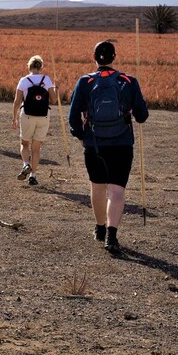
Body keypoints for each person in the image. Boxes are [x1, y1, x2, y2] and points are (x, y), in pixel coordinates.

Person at [68, 40, 148, 254]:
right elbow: (142, 116)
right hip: (122, 144)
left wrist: (80, 136)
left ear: (94, 58)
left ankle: (100, 228)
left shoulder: (85, 82)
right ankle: (112, 236)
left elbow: (73, 115)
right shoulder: (128, 81)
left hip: (94, 144)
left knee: (97, 187)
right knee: (117, 191)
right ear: (114, 58)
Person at [12, 55, 57, 186]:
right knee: (36, 148)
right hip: (43, 116)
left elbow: (17, 102)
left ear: (29, 66)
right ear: (41, 67)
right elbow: (53, 100)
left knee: (25, 143)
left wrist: (14, 118)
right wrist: (55, 89)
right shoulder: (47, 80)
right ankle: (33, 175)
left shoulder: (24, 81)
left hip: (27, 115)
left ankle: (26, 164)